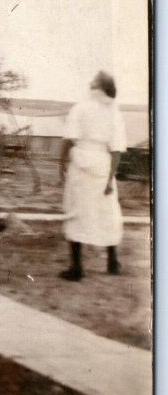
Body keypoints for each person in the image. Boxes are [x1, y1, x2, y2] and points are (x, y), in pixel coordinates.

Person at [59, 71, 127, 281]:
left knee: (77, 212)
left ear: (95, 86)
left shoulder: (80, 107)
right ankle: (112, 262)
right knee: (107, 213)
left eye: (93, 80)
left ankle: (77, 268)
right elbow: (116, 150)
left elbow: (69, 139)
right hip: (103, 165)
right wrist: (109, 180)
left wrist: (60, 164)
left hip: (81, 165)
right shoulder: (114, 112)